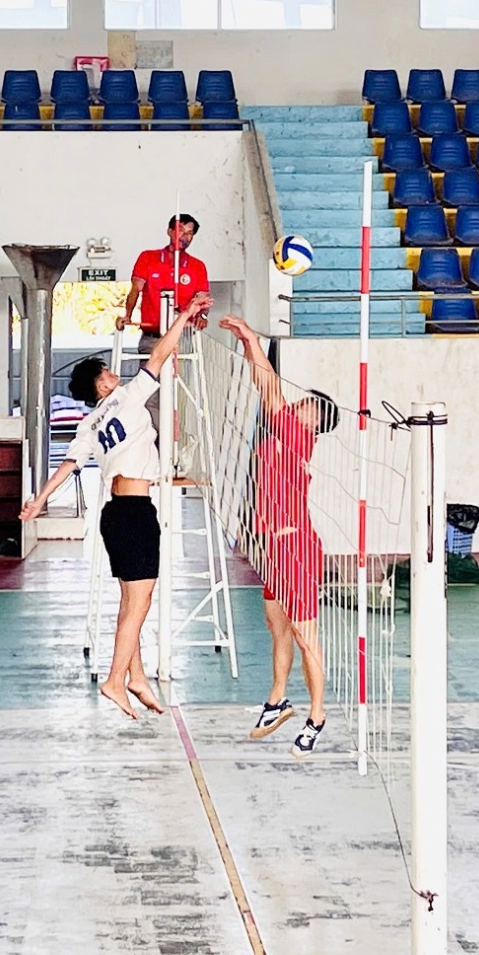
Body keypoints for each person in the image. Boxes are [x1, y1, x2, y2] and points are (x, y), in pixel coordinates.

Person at [22, 290, 212, 719]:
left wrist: (39, 502)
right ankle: (114, 680)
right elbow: (160, 354)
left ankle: (137, 676)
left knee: (130, 602)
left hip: (114, 515)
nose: (115, 375)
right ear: (103, 383)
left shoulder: (89, 424)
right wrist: (185, 314)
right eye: (108, 372)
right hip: (136, 512)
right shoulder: (126, 397)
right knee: (139, 604)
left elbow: (68, 466)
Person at [220, 315, 340, 758]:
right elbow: (266, 386)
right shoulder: (286, 429)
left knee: (307, 636)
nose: (298, 403)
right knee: (277, 627)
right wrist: (248, 346)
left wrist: (251, 339)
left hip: (296, 547)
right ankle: (277, 700)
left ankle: (317, 716)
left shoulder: (297, 436)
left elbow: (268, 387)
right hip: (273, 548)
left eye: (306, 403)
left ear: (314, 420)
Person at [117, 214, 211, 443]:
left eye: (189, 233)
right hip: (152, 337)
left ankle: (174, 445)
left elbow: (203, 300)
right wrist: (127, 316)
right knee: (149, 393)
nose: (184, 237)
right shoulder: (148, 258)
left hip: (182, 340)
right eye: (181, 231)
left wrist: (202, 315)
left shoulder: (197, 266)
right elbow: (135, 290)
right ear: (169, 231)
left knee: (178, 394)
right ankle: (153, 443)